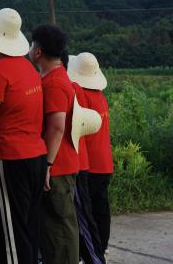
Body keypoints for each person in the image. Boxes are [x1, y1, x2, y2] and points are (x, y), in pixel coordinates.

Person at [0, 8, 46, 264]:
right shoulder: (29, 69)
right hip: (35, 155)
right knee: (28, 229)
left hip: (7, 157)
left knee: (8, 234)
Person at [28, 25, 79, 264]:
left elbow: (57, 127)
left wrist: (47, 164)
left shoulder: (55, 83)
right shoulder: (53, 78)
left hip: (57, 166)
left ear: (38, 51)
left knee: (59, 226)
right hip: (59, 163)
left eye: (31, 44)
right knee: (53, 227)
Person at [68, 52, 113, 256]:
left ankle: (92, 251)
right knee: (101, 207)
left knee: (87, 213)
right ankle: (101, 246)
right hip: (105, 162)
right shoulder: (100, 96)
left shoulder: (81, 95)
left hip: (90, 163)